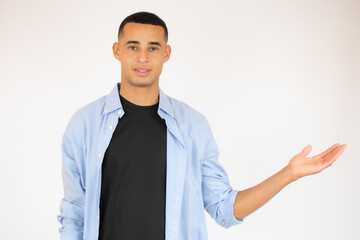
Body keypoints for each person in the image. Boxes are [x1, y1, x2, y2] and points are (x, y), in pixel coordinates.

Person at [57, 11, 347, 240]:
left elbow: (224, 209)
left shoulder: (193, 126)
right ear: (117, 50)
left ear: (166, 53)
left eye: (153, 48)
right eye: (133, 47)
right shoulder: (84, 125)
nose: (143, 57)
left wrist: (288, 174)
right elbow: (74, 216)